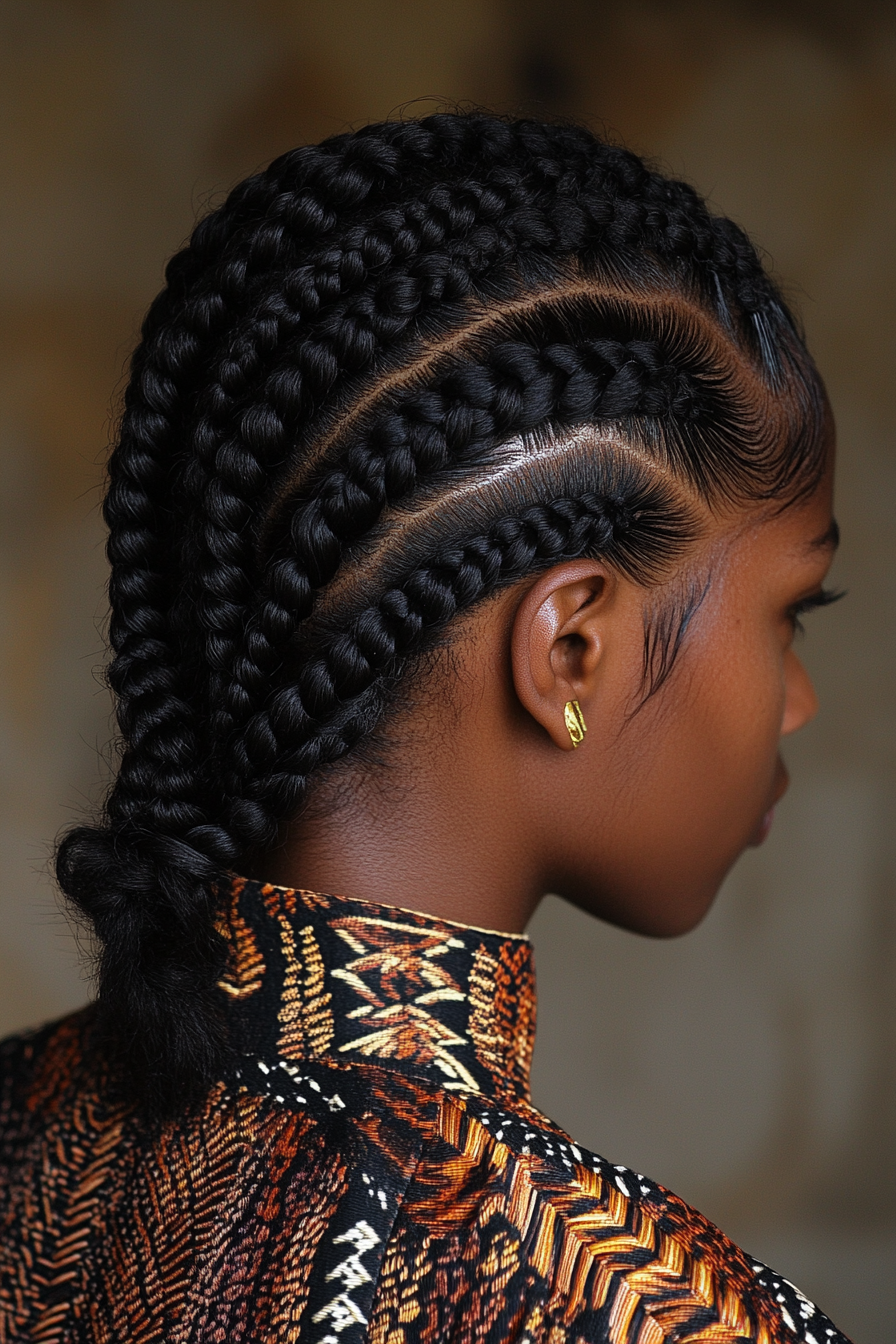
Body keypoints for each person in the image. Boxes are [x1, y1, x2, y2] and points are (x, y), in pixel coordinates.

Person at [0, 113, 849, 1342]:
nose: (797, 699)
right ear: (571, 646)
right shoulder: (638, 1312)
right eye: (789, 613)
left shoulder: (27, 1123)